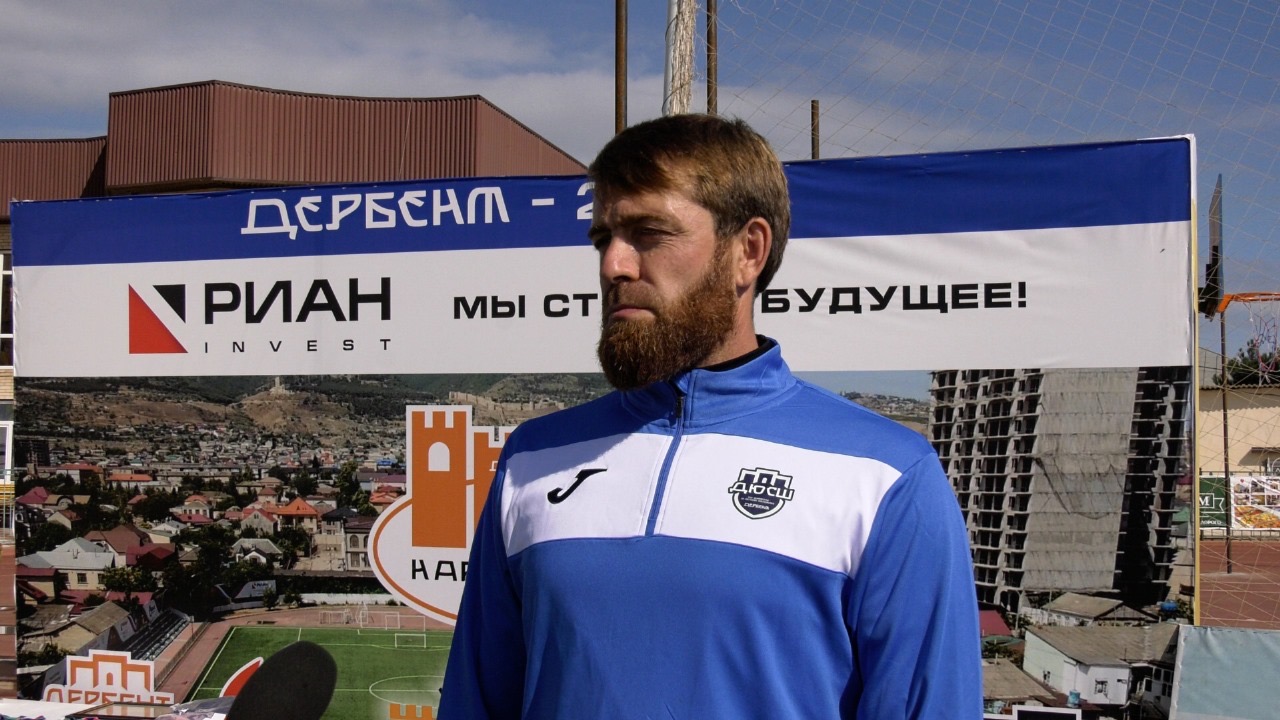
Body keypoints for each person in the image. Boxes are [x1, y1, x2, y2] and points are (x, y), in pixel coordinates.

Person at [439, 114, 982, 719]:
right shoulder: (533, 456)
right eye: (603, 239)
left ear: (748, 251)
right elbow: (474, 701)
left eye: (649, 233)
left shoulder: (887, 475)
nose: (614, 265)